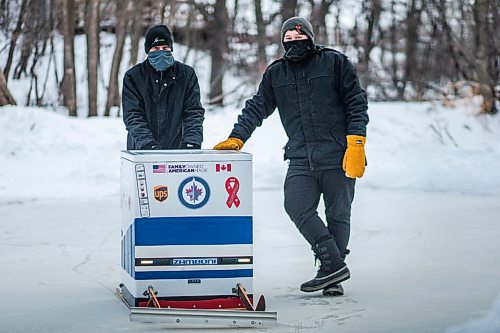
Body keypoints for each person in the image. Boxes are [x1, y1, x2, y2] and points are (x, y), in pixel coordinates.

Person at [213, 17, 368, 296]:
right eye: (288, 41)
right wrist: (238, 136)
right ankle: (334, 264)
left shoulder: (334, 63)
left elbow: (356, 102)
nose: (294, 44)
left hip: (338, 154)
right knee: (296, 206)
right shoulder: (277, 73)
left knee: (338, 214)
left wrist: (356, 142)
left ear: (310, 37)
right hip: (300, 156)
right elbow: (257, 107)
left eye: (299, 39)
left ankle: (332, 278)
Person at [122, 24, 204, 150]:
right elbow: (133, 115)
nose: (161, 51)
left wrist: (192, 141)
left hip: (179, 149)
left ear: (171, 48)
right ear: (148, 50)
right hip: (141, 150)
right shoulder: (133, 77)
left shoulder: (186, 74)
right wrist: (147, 143)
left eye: (165, 47)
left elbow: (193, 112)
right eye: (155, 48)